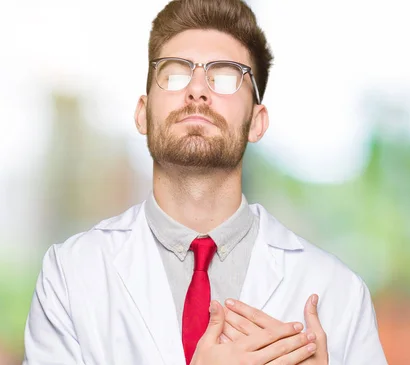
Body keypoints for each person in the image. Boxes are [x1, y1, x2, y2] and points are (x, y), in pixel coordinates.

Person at [23, 0, 388, 364]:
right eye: (175, 72)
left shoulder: (338, 292)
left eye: (226, 74)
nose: (197, 89)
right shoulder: (71, 275)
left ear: (257, 122)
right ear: (142, 115)